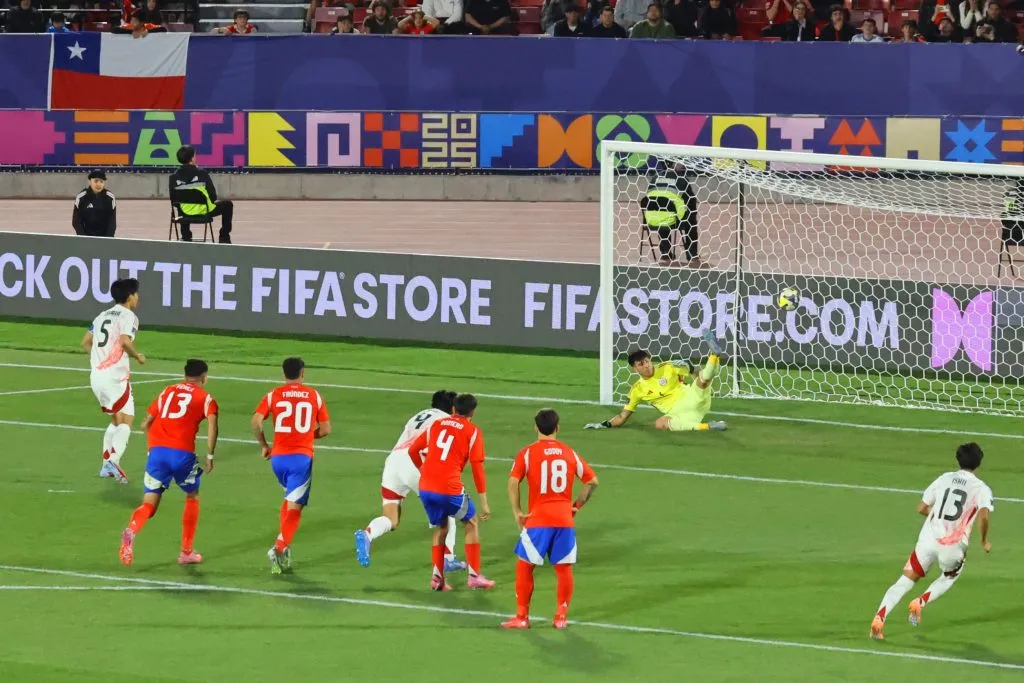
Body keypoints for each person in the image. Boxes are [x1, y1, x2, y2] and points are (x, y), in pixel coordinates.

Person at [869, 443, 994, 640]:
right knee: (950, 575)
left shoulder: (944, 478)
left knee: (904, 581)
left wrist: (936, 516)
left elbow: (921, 508)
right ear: (978, 463)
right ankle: (921, 601)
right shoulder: (981, 489)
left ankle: (879, 618)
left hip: (927, 542)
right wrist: (984, 541)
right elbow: (984, 517)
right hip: (952, 548)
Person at [501, 409, 599, 630]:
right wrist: (576, 506)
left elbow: (513, 482)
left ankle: (522, 617)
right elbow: (592, 481)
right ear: (558, 428)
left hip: (538, 520)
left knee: (524, 568)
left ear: (536, 428)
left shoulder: (527, 453)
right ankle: (561, 617)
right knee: (564, 570)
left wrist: (517, 511)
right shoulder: (569, 452)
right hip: (564, 520)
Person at [119, 359, 219, 567]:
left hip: (157, 454)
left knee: (149, 504)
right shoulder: (206, 398)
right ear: (204, 377)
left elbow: (146, 422)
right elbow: (212, 425)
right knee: (192, 495)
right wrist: (209, 455)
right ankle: (186, 552)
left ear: (184, 375)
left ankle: (131, 530)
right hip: (182, 455)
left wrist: (152, 447)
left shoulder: (167, 391)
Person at [354, 390, 467, 571]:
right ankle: (447, 558)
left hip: (393, 462)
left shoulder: (419, 415)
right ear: (453, 408)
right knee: (447, 511)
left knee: (391, 518)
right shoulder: (446, 422)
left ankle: (368, 534)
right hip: (415, 461)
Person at [407, 393, 495, 591]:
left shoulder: (437, 425)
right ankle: (473, 576)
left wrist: (425, 472)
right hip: (449, 487)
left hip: (426, 486)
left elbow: (413, 450)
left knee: (441, 527)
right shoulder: (473, 432)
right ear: (473, 412)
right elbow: (477, 467)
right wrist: (484, 501)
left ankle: (437, 579)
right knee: (471, 522)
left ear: (454, 409)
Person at [252, 357, 332, 574]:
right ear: (302, 373)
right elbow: (325, 429)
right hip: (300, 460)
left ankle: (284, 547)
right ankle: (278, 547)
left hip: (278, 459)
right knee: (296, 509)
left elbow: (256, 421)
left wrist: (264, 445)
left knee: (289, 499)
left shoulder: (273, 395)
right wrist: (307, 435)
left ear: (283, 373)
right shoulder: (313, 396)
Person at [585, 330, 727, 432]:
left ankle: (714, 355)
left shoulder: (668, 366)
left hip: (692, 398)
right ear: (634, 369)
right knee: (660, 423)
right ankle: (709, 426)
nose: (646, 365)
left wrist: (689, 366)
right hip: (678, 413)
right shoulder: (637, 390)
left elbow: (696, 374)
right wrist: (605, 424)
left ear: (650, 360)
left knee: (702, 380)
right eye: (641, 364)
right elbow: (623, 416)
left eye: (647, 361)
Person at [81, 278, 146, 485]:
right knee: (127, 419)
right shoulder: (129, 316)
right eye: (136, 294)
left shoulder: (101, 315)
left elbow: (85, 342)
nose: (138, 297)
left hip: (97, 376)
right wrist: (137, 357)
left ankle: (105, 466)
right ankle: (113, 461)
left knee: (116, 420)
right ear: (129, 296)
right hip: (114, 376)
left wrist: (98, 359)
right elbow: (124, 341)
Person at [170, 145, 234, 244]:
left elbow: (174, 200)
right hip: (205, 211)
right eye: (195, 155)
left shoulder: (173, 177)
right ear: (192, 158)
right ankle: (224, 237)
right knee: (228, 205)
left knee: (180, 203)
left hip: (185, 212)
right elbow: (213, 196)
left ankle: (186, 235)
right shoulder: (202, 174)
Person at [640, 164, 701, 268]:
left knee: (661, 212)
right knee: (691, 220)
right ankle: (692, 254)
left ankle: (665, 252)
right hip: (673, 220)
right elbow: (691, 201)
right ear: (673, 163)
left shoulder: (655, 178)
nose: (682, 164)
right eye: (679, 161)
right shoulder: (681, 179)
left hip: (652, 219)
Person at [72, 170, 117, 238]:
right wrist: (83, 237)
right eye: (96, 181)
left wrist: (108, 239)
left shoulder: (110, 198)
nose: (98, 184)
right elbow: (76, 221)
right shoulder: (81, 197)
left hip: (105, 238)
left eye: (101, 182)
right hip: (85, 237)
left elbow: (112, 222)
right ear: (89, 182)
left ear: (104, 183)